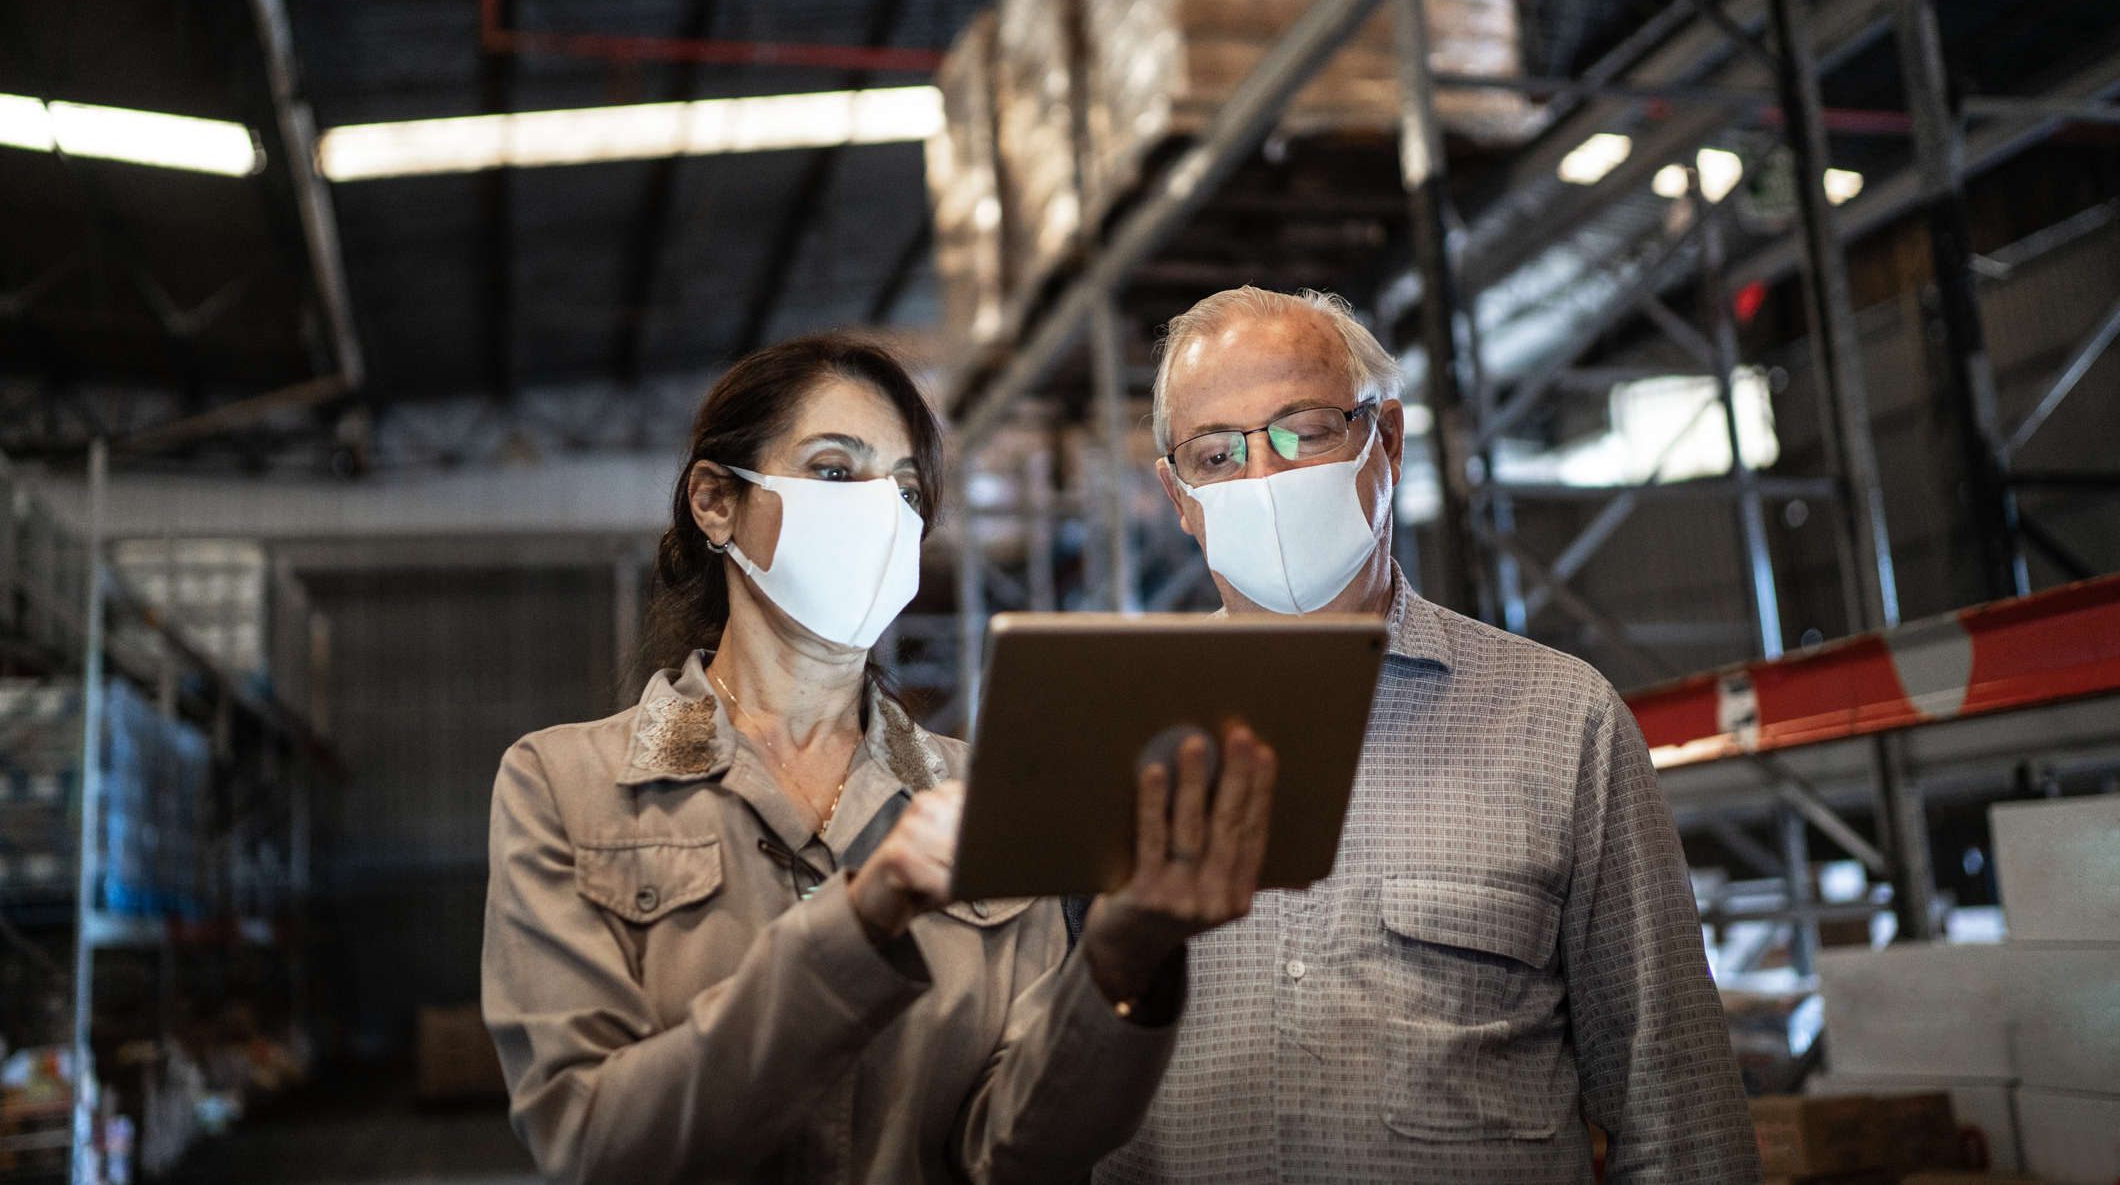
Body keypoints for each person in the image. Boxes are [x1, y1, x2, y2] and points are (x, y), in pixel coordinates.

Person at [482, 334, 1276, 1185]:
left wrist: (1120, 965)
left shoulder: (987, 791)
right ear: (715, 502)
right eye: (833, 471)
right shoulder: (562, 787)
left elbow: (1012, 1151)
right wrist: (861, 921)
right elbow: (592, 1142)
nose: (880, 514)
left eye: (904, 489)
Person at [1096, 288, 1759, 1184]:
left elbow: (1675, 1106)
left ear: (1388, 442)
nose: (1266, 480)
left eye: (1305, 431)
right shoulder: (1103, 738)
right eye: (1218, 454)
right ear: (1179, 498)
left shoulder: (1563, 723)